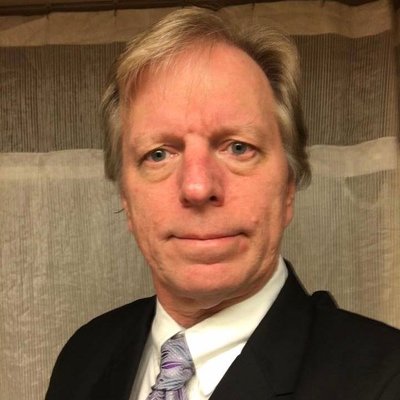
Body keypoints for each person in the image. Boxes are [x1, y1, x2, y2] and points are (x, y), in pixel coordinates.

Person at [46, 7, 400, 400]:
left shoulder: (386, 378)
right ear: (126, 199)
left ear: (288, 187)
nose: (198, 187)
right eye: (159, 154)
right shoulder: (83, 358)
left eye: (238, 147)